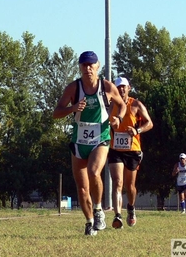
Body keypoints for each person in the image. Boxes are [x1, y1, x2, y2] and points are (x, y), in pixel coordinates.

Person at [53, 51, 126, 236]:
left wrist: (118, 117)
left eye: (91, 65)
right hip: (78, 140)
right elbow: (56, 112)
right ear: (79, 67)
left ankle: (99, 209)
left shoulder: (107, 87)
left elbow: (122, 104)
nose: (88, 69)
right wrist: (72, 108)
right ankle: (89, 221)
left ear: (97, 66)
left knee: (94, 171)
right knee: (82, 187)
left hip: (100, 137)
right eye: (84, 65)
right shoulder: (73, 88)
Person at [108, 77, 153, 229]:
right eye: (118, 87)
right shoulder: (111, 105)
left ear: (129, 88)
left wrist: (136, 130)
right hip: (115, 150)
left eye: (123, 87)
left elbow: (149, 123)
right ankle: (117, 216)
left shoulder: (136, 104)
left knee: (130, 186)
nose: (121, 89)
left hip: (133, 150)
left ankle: (131, 208)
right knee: (117, 182)